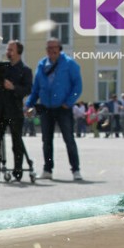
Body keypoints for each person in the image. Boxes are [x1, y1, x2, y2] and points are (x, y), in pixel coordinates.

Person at [25, 38, 83, 181]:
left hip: (63, 108)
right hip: (46, 108)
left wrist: (68, 103)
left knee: (69, 139)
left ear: (60, 48)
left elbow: (78, 86)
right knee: (46, 140)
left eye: (54, 48)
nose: (51, 50)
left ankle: (76, 170)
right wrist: (29, 104)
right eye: (48, 48)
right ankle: (47, 170)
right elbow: (36, 88)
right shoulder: (42, 64)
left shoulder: (69, 64)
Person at [0, 40, 33, 182]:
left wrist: (13, 87)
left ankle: (18, 172)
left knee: (17, 142)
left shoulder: (25, 70)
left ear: (18, 52)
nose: (8, 52)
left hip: (15, 110)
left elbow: (28, 89)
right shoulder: (2, 67)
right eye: (7, 49)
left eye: (11, 50)